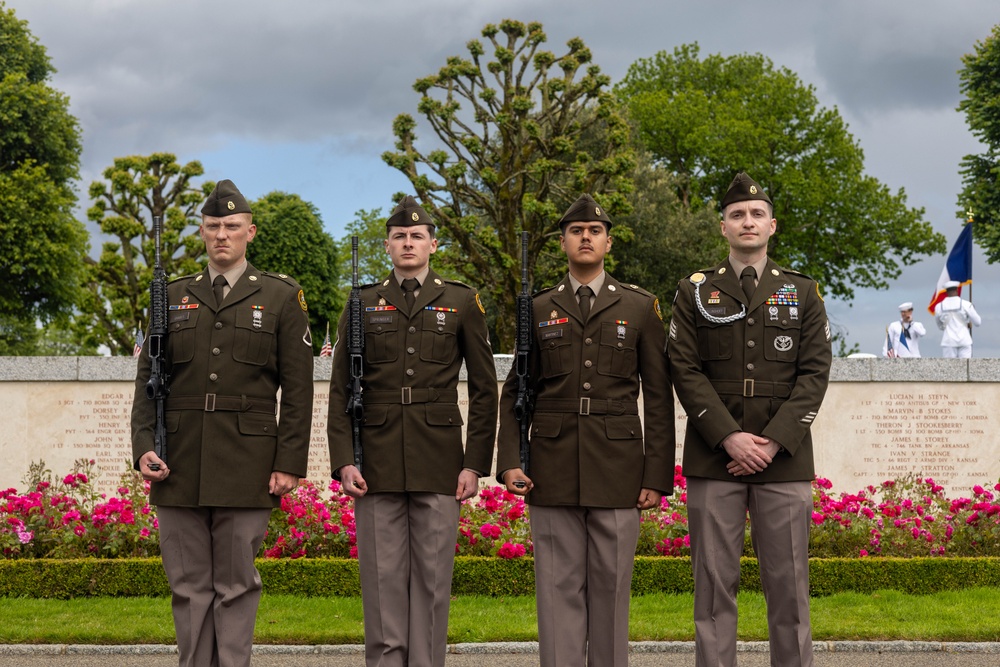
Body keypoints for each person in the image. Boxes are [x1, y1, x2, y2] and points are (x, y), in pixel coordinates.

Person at [131, 179, 315, 667]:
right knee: (189, 586)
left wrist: (288, 462)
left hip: (247, 462)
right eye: (213, 226)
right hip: (179, 460)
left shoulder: (280, 298)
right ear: (201, 231)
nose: (221, 235)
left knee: (235, 584)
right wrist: (143, 446)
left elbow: (298, 391)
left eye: (232, 226)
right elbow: (148, 381)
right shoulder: (168, 297)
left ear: (250, 232)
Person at [496, 194, 675, 667]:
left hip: (619, 470)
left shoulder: (639, 307)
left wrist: (656, 476)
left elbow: (658, 397)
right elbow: (518, 392)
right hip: (551, 470)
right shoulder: (536, 309)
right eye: (576, 231)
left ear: (608, 242)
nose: (585, 237)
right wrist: (512, 459)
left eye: (594, 231)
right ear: (563, 243)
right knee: (557, 594)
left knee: (611, 593)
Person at [667, 172, 832, 667]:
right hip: (715, 460)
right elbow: (684, 368)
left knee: (790, 592)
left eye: (756, 214)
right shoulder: (694, 291)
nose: (747, 221)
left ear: (772, 225)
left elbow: (815, 373)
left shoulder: (802, 291)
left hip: (783, 462)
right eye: (737, 214)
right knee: (714, 594)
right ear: (723, 227)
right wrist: (730, 438)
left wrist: (772, 443)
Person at [327, 195, 498, 667]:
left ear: (432, 245)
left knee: (432, 581)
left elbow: (485, 389)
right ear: (387, 245)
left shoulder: (461, 300)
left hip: (440, 458)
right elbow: (341, 388)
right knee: (381, 583)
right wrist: (343, 458)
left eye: (417, 236)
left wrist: (473, 464)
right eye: (400, 236)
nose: (408, 243)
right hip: (375, 460)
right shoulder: (360, 302)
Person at [934, 280, 981, 358]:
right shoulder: (966, 304)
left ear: (946, 292)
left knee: (950, 369)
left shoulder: (939, 307)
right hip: (965, 341)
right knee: (966, 368)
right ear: (957, 290)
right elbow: (978, 322)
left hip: (948, 342)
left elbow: (940, 327)